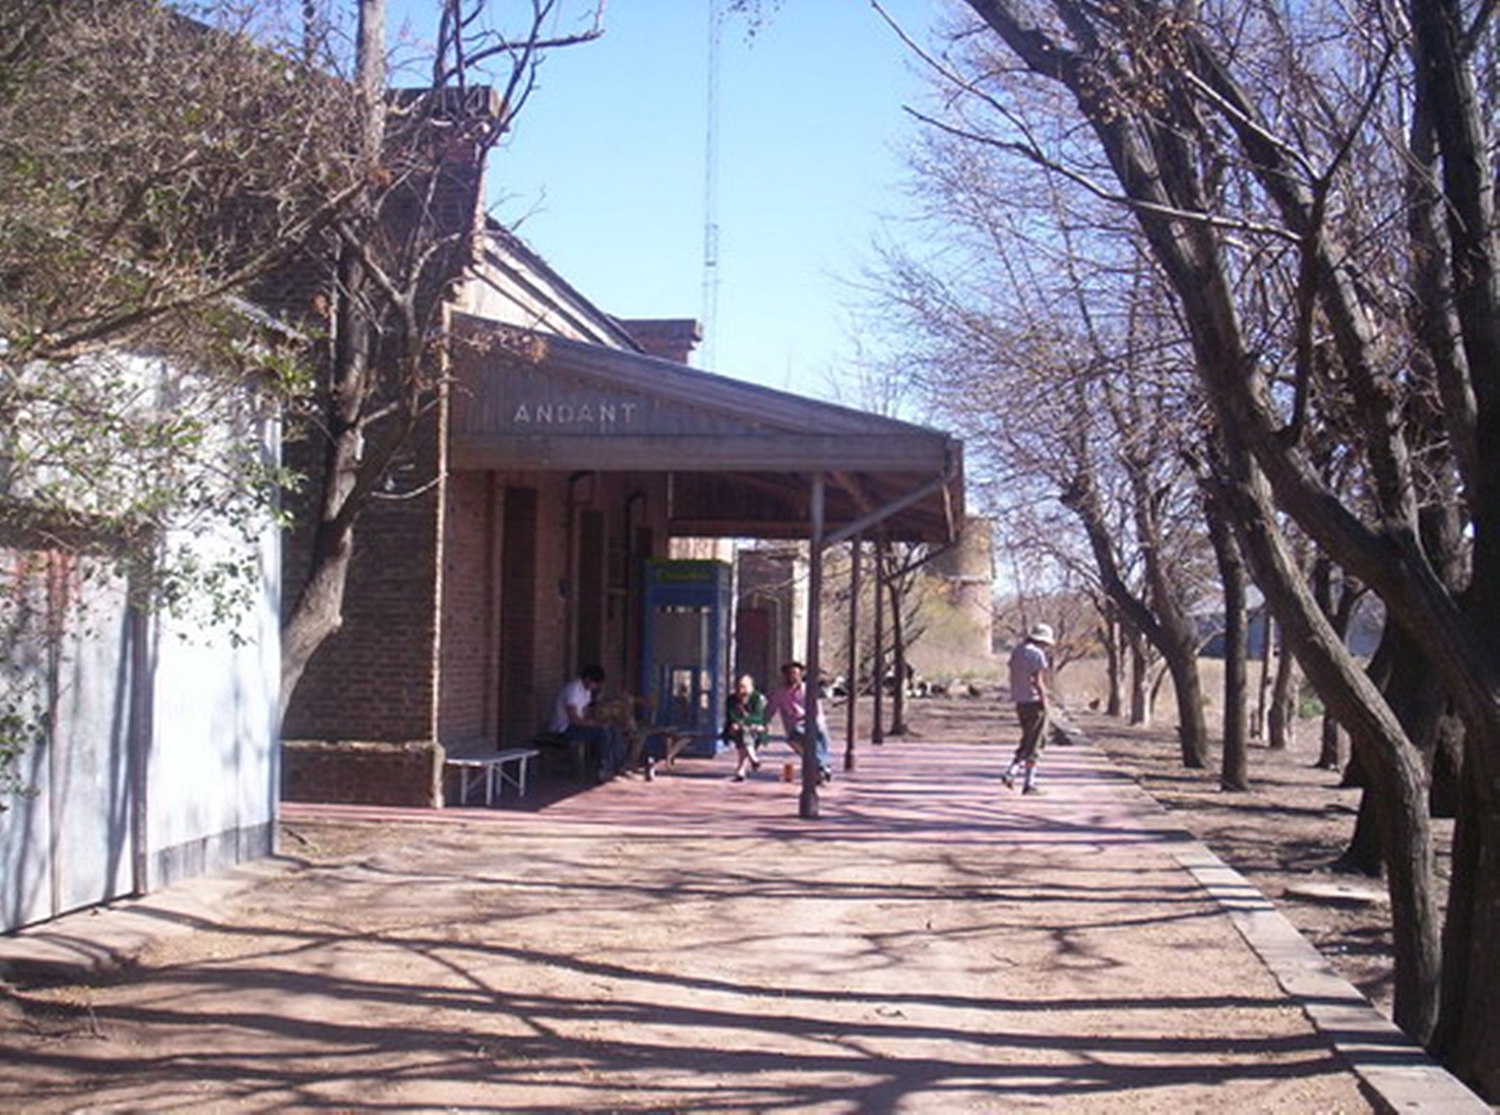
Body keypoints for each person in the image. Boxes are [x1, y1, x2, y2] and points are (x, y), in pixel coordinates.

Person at [548, 664, 624, 781]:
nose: (596, 687)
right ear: (588, 678)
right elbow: (574, 718)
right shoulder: (573, 689)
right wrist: (595, 724)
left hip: (578, 726)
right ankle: (601, 768)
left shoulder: (586, 691)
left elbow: (586, 711)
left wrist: (600, 718)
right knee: (602, 733)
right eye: (595, 683)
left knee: (613, 729)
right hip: (564, 728)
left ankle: (615, 766)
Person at [1004, 623, 1054, 795]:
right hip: (1034, 702)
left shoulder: (1017, 651)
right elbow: (1037, 680)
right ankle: (1029, 783)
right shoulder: (1036, 654)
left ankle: (1012, 771)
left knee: (1027, 739)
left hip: (1020, 701)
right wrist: (1045, 699)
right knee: (1036, 743)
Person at [766, 660, 832, 783]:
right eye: (790, 674)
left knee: (821, 732)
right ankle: (823, 765)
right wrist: (763, 723)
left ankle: (821, 767)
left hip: (811, 721)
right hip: (794, 726)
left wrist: (816, 723)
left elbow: (817, 709)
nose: (793, 676)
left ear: (800, 675)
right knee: (801, 733)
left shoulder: (808, 689)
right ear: (785, 675)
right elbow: (770, 710)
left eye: (796, 673)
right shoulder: (779, 692)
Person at [723, 673, 770, 782]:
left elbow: (758, 716)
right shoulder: (731, 699)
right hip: (735, 728)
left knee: (744, 732)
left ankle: (741, 769)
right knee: (743, 732)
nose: (741, 690)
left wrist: (743, 722)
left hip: (755, 728)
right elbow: (731, 715)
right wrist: (738, 723)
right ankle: (753, 760)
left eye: (744, 686)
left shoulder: (757, 698)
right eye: (738, 686)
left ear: (751, 687)